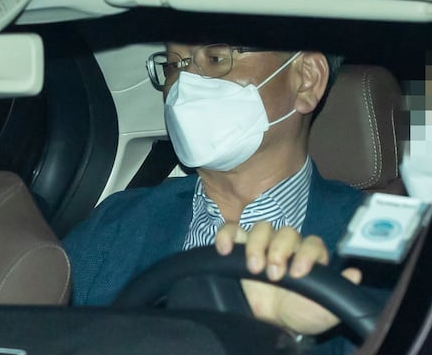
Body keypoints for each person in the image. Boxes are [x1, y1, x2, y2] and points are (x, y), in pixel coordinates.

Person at [62, 43, 365, 344]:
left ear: (307, 79)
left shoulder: (374, 242)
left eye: (217, 58)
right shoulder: (117, 223)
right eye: (173, 65)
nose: (184, 84)